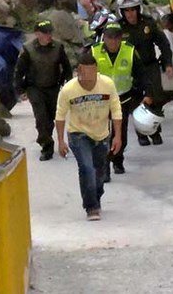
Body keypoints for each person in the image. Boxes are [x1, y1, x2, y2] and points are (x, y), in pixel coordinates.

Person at [55, 51, 122, 221]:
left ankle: (96, 196)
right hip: (78, 134)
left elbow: (116, 109)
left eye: (93, 73)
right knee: (87, 168)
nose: (89, 79)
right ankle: (91, 207)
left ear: (97, 70)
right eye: (85, 74)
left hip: (102, 134)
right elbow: (60, 115)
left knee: (99, 172)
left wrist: (117, 136)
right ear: (79, 72)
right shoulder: (69, 90)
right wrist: (61, 141)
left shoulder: (107, 84)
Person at [115, 0, 173, 146]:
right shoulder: (118, 28)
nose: (130, 14)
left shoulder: (148, 23)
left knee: (155, 98)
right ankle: (141, 133)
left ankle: (154, 130)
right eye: (126, 10)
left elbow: (163, 43)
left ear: (138, 9)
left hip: (150, 66)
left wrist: (168, 63)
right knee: (135, 102)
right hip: (130, 71)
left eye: (133, 9)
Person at [91, 22, 150, 180]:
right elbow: (84, 74)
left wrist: (146, 93)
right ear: (104, 38)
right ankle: (104, 168)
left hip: (122, 99)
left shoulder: (129, 51)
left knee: (120, 135)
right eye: (110, 38)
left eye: (117, 38)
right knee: (102, 135)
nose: (113, 41)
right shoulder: (94, 51)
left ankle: (117, 160)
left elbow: (142, 74)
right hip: (100, 100)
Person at [15, 20, 72, 161]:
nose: (49, 35)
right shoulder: (28, 49)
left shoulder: (58, 47)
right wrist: (19, 88)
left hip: (53, 87)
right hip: (35, 88)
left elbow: (66, 67)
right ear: (37, 34)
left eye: (50, 32)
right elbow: (19, 70)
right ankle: (47, 145)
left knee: (50, 118)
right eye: (45, 33)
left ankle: (46, 137)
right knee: (41, 118)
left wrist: (68, 83)